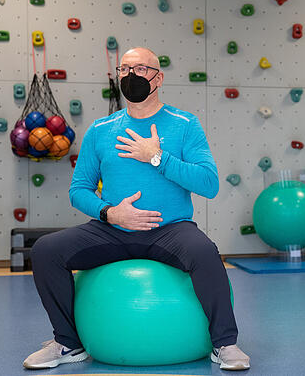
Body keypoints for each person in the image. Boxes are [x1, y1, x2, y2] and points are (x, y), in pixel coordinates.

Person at [23, 48, 250, 371]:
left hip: (170, 229)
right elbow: (79, 191)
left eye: (141, 69)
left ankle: (225, 343)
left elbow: (209, 183)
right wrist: (109, 213)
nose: (131, 76)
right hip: (112, 228)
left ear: (158, 78)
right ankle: (68, 343)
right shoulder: (101, 130)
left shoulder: (184, 124)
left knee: (205, 252)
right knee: (46, 250)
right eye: (125, 69)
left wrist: (157, 157)